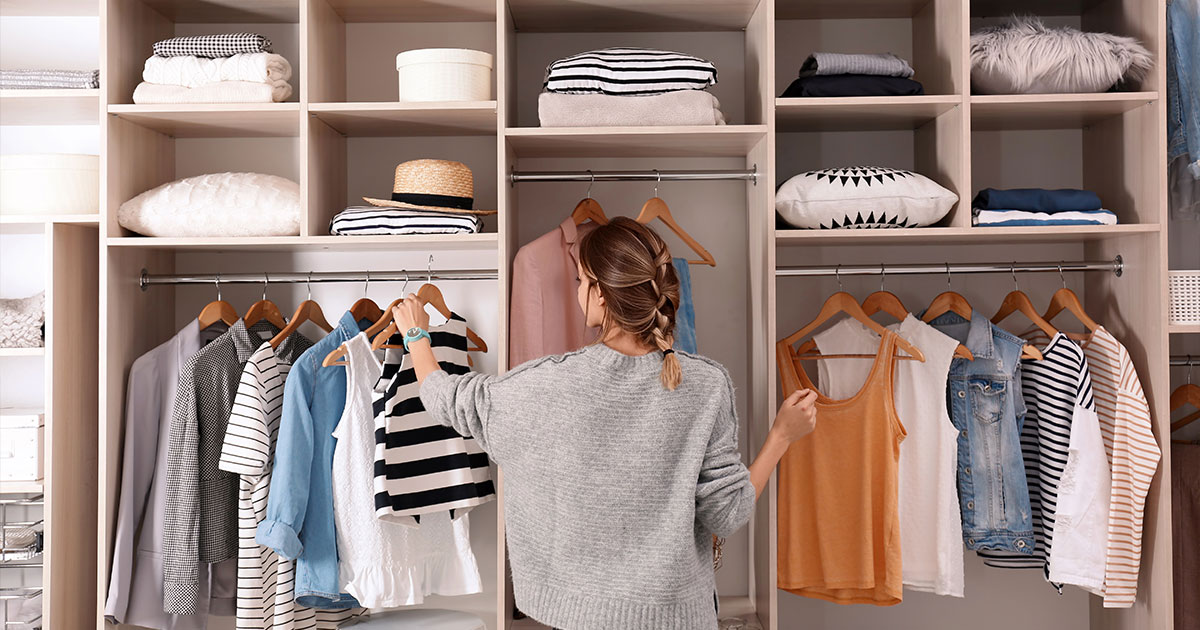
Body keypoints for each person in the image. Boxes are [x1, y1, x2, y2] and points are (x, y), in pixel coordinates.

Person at [390, 216, 817, 630]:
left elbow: (447, 400)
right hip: (680, 616)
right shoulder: (707, 385)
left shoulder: (546, 383)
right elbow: (726, 513)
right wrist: (780, 436)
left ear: (600, 292)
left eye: (580, 281)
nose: (577, 292)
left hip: (578, 618)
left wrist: (416, 336)